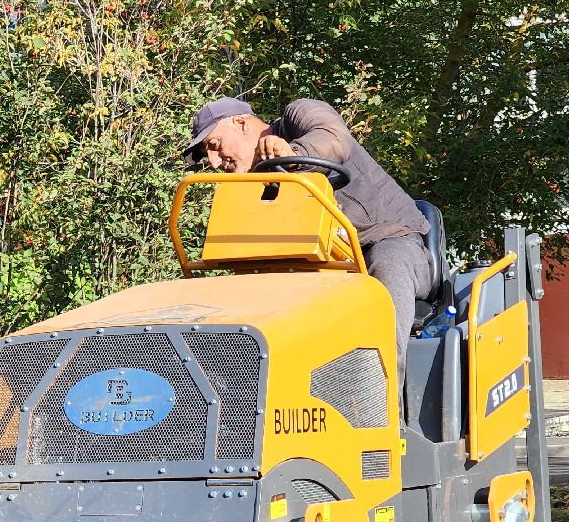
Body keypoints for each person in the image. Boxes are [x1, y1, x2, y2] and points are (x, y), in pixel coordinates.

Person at [186, 97, 435, 372]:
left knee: (386, 268)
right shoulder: (253, 187)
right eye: (205, 155)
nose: (212, 162)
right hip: (323, 266)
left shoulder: (297, 114)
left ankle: (385, 407)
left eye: (213, 145)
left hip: (389, 240)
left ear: (241, 123)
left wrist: (291, 153)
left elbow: (333, 137)